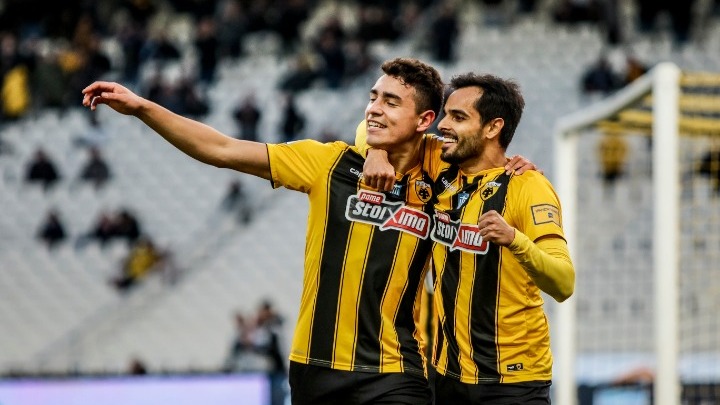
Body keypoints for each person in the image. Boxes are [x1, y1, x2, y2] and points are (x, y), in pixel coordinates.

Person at [82, 59, 536, 405]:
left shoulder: (442, 170)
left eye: (390, 102)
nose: (374, 109)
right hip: (314, 367)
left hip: (396, 370)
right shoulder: (328, 163)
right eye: (373, 97)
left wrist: (514, 167)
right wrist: (142, 107)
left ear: (424, 121)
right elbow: (221, 148)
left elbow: (485, 158)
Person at [361, 73, 575, 404]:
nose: (443, 125)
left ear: (493, 128)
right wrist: (376, 151)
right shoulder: (438, 167)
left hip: (512, 381)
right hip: (447, 376)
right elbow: (375, 128)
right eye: (445, 114)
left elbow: (563, 283)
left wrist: (514, 240)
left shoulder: (528, 186)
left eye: (458, 117)